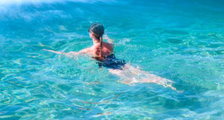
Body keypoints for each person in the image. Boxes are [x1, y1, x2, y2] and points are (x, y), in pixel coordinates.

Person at [45, 23, 176, 90]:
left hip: (110, 67)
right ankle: (163, 81)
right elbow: (111, 40)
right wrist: (106, 36)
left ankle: (156, 82)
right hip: (119, 62)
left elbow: (72, 55)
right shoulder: (109, 44)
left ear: (91, 34)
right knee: (139, 72)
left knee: (131, 80)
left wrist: (53, 52)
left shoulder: (91, 48)